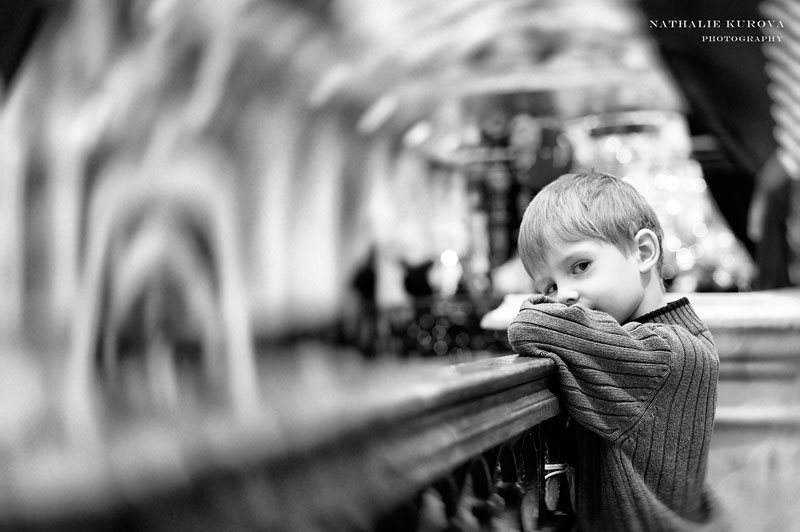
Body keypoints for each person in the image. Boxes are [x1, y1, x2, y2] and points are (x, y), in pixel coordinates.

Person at [507, 171, 727, 531]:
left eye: (580, 266)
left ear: (643, 252)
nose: (563, 296)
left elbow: (528, 326)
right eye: (549, 287)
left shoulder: (663, 355)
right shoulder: (683, 339)